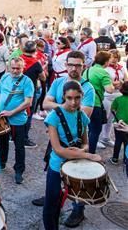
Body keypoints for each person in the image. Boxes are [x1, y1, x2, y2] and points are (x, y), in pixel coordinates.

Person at [42, 81, 101, 230]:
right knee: (52, 204)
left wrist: (83, 150)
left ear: (82, 97)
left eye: (77, 98)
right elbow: (58, 149)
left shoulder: (82, 116)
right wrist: (85, 155)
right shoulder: (54, 116)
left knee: (72, 198)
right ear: (63, 97)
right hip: (57, 166)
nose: (73, 102)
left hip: (75, 165)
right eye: (69, 98)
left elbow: (86, 142)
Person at [0, 57, 34, 184]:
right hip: (2, 117)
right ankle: (2, 163)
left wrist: (11, 112)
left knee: (19, 146)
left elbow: (28, 102)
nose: (15, 71)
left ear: (22, 68)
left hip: (18, 120)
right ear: (9, 67)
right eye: (13, 68)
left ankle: (19, 171)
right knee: (1, 141)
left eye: (18, 68)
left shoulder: (27, 81)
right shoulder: (4, 77)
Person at [82, 51, 115, 154]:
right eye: (109, 60)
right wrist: (114, 85)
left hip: (85, 103)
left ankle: (86, 149)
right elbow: (109, 90)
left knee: (89, 129)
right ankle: (91, 153)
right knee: (96, 130)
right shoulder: (103, 72)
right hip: (96, 104)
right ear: (105, 61)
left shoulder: (87, 70)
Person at [21, 41, 46, 148]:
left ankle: (12, 136)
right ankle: (24, 138)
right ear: (35, 50)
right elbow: (43, 78)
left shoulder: (18, 60)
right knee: (28, 114)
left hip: (17, 90)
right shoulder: (36, 63)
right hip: (30, 92)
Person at [100, 49, 127, 148]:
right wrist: (113, 84)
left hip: (119, 95)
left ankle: (106, 138)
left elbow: (126, 79)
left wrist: (122, 83)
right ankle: (100, 138)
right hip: (107, 96)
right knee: (105, 118)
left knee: (113, 119)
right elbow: (103, 83)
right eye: (111, 57)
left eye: (115, 57)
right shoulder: (105, 69)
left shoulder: (121, 68)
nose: (113, 59)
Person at [110, 81, 128, 165]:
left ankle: (115, 158)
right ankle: (125, 159)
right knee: (127, 143)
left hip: (118, 123)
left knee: (118, 141)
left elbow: (112, 109)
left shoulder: (118, 99)